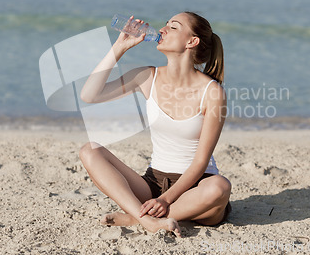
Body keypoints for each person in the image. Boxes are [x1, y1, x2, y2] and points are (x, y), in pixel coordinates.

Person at [79, 12, 231, 237]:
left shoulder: (212, 92)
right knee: (89, 151)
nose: (162, 30)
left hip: (197, 187)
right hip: (153, 183)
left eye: (173, 27)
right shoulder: (147, 77)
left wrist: (165, 199)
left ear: (192, 41)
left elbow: (200, 161)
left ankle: (135, 218)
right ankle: (149, 221)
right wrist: (119, 47)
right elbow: (89, 95)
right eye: (165, 25)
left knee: (220, 187)